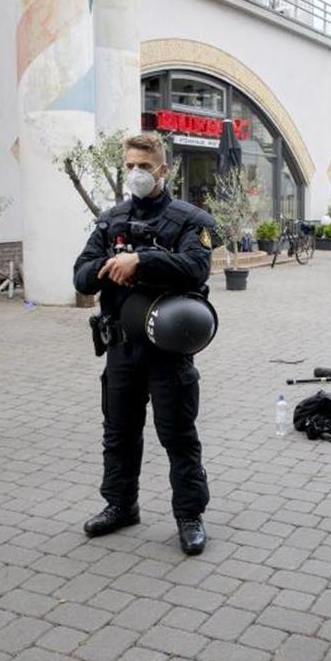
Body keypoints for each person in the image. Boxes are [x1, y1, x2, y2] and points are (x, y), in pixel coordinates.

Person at [73, 133, 213, 555]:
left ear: (163, 170)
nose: (136, 173)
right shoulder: (111, 219)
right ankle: (120, 505)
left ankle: (189, 515)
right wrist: (111, 264)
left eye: (144, 167)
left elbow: (195, 268)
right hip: (121, 349)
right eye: (130, 165)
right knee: (118, 432)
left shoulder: (191, 220)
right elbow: (80, 276)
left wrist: (143, 261)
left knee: (178, 435)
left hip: (168, 352)